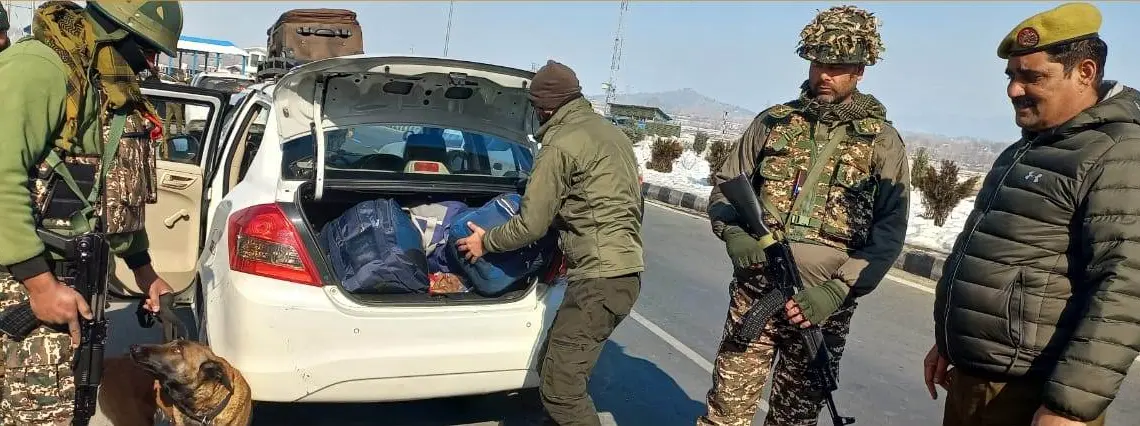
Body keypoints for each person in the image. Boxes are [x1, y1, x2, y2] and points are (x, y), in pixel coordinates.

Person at [925, 3, 1140, 426]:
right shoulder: (1028, 147)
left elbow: (1126, 284)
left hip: (1033, 395)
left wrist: (1068, 407)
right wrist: (951, 341)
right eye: (1011, 76)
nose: (1013, 90)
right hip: (977, 382)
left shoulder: (1118, 152)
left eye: (1032, 76)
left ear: (1085, 72)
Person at [697, 5, 910, 426]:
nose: (825, 75)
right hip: (757, 291)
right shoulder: (773, 123)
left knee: (795, 419)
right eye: (818, 63)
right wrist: (734, 234)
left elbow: (889, 232)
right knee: (726, 411)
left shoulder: (882, 142)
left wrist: (837, 290)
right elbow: (726, 187)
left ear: (861, 70)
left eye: (839, 66)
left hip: (823, 305)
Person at [0, 0, 183, 423]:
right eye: (147, 52)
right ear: (116, 35)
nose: (149, 66)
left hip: (69, 285)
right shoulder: (40, 68)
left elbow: (106, 191)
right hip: (23, 283)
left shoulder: (102, 86)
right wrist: (40, 285)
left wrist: (143, 269)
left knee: (68, 410)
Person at [455, 59, 644, 426]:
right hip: (625, 271)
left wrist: (485, 243)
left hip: (598, 280)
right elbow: (625, 203)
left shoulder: (559, 144)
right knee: (552, 366)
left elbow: (530, 225)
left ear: (544, 108)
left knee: (562, 390)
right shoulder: (612, 135)